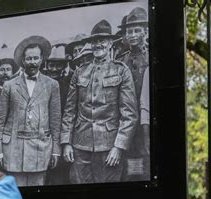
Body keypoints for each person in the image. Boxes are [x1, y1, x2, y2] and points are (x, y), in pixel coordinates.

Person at [61, 19, 138, 184]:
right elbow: (69, 111)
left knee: (107, 198)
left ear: (110, 43)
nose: (97, 45)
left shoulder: (121, 70)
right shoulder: (80, 72)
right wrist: (66, 142)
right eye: (94, 41)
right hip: (80, 146)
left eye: (102, 40)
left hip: (109, 147)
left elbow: (129, 114)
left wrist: (119, 147)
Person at [0, 35, 61, 186]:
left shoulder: (52, 85)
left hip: (41, 149)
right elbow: (0, 121)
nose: (32, 62)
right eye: (29, 59)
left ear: (42, 59)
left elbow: (55, 120)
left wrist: (56, 150)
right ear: (23, 61)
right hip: (13, 150)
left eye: (35, 58)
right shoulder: (9, 86)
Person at [117, 7, 150, 181]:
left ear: (145, 32)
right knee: (128, 167)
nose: (133, 35)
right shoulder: (121, 61)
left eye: (137, 30)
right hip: (126, 120)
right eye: (129, 31)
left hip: (146, 121)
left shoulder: (151, 57)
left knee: (146, 163)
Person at [45, 44, 71, 185]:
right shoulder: (43, 83)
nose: (54, 69)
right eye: (51, 65)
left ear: (63, 66)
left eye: (58, 65)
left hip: (63, 135)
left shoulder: (68, 84)